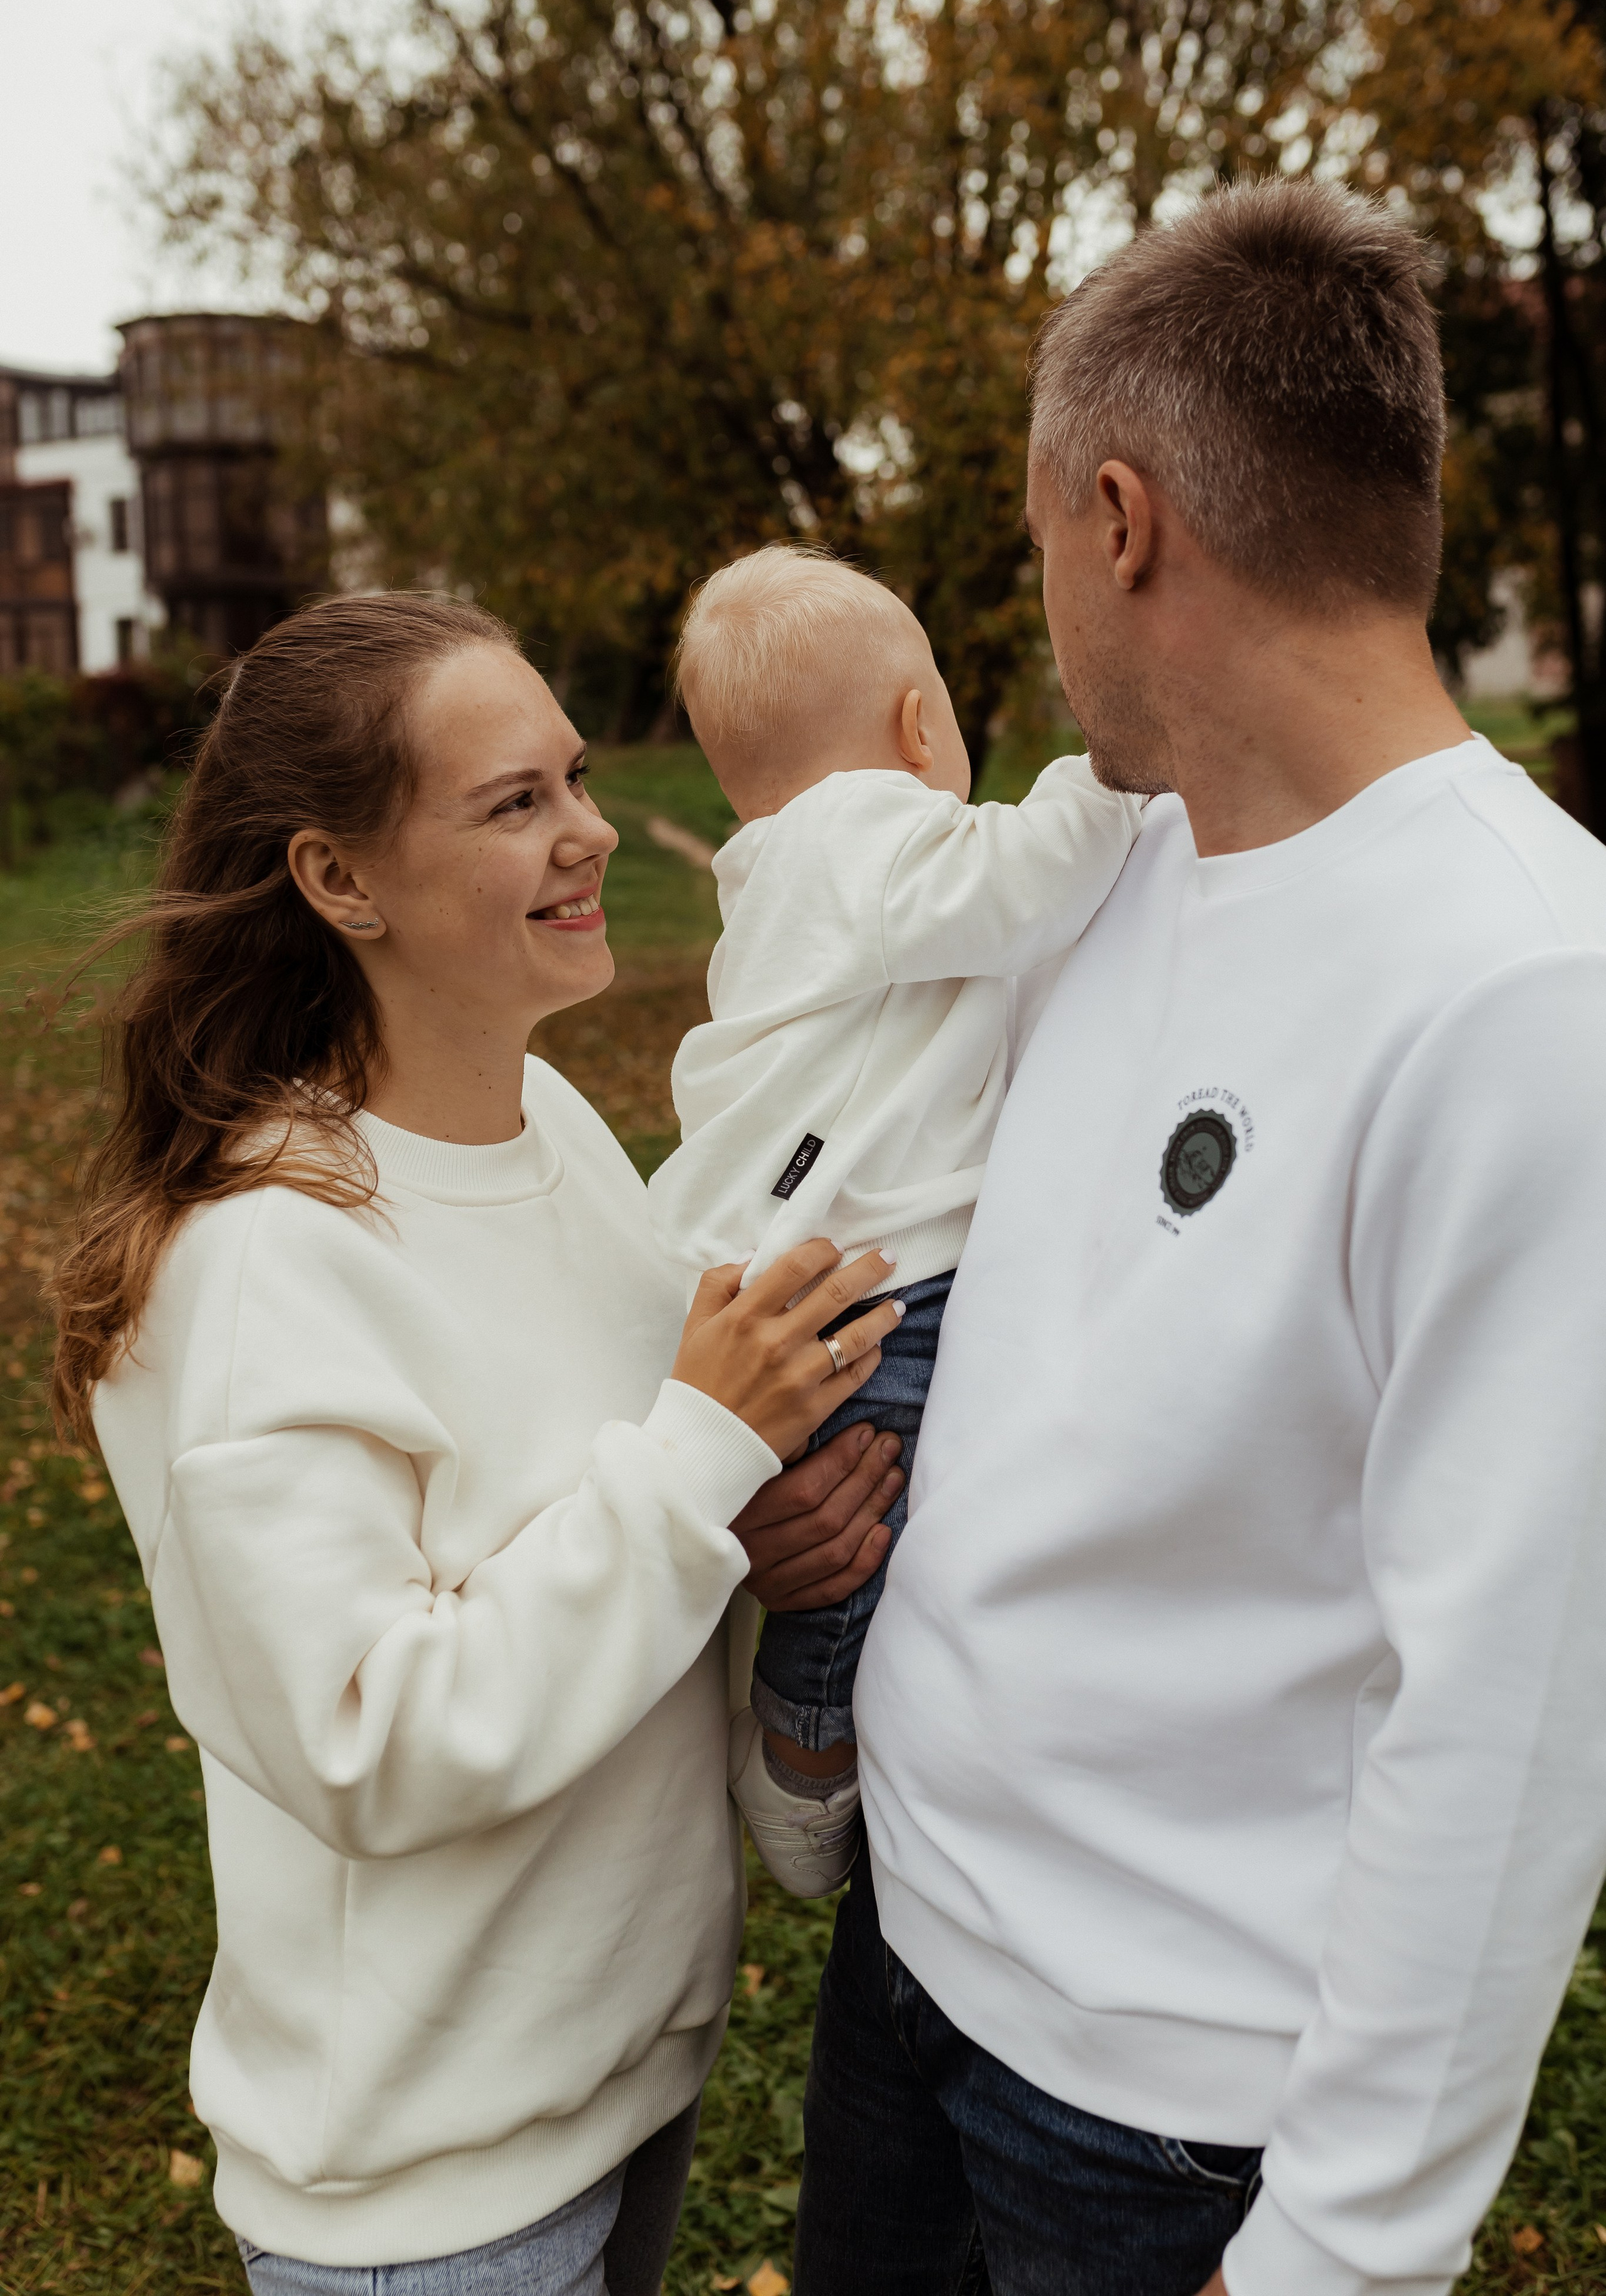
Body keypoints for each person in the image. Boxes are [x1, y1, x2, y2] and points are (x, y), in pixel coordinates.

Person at [798, 179, 1606, 2296]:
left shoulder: (1530, 996)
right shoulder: (1118, 870)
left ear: (1124, 519)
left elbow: (1517, 1720)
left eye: (1044, 539)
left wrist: (1343, 2253)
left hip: (1163, 2139)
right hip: (909, 1971)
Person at [50, 592, 907, 2295]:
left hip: (623, 2083)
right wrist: (697, 1468)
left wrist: (748, 1535)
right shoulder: (262, 1261)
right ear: (338, 880)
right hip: (428, 2200)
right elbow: (372, 1740)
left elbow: (616, 1538)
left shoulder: (567, 1131)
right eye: (513, 803)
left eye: (575, 779)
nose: (588, 832)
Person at [647, 544, 1138, 1894]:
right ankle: (802, 1765)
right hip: (863, 1288)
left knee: (857, 1519)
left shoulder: (782, 871)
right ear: (921, 727)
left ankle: (812, 1738)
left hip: (784, 1265)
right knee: (864, 1533)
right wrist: (1110, 763)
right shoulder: (864, 836)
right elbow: (1029, 876)